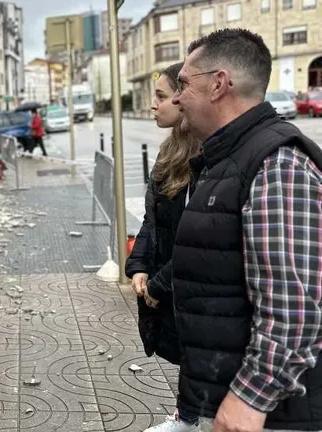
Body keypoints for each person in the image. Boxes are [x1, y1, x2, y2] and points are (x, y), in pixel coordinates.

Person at [170, 29, 322, 432]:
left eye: (184, 83)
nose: (175, 97)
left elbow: (292, 307)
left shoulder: (278, 165)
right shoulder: (228, 157)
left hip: (270, 415)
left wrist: (250, 398)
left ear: (218, 84)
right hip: (223, 397)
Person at [126, 62, 202, 432]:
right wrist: (139, 265)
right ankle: (186, 418)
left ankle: (189, 419)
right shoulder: (171, 151)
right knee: (190, 353)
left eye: (160, 96)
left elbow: (200, 237)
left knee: (202, 351)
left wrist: (159, 284)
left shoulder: (208, 155)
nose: (153, 105)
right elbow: (152, 220)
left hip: (192, 283)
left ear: (183, 96)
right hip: (173, 281)